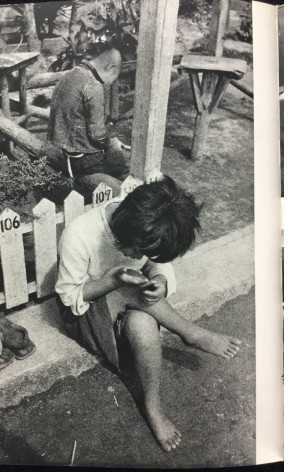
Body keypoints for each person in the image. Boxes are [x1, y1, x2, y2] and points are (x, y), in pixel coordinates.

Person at [55, 175, 242, 452]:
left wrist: (159, 280)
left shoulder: (142, 226)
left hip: (127, 304)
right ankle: (190, 332)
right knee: (132, 291)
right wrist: (112, 281)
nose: (139, 254)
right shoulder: (80, 234)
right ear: (127, 228)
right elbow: (70, 296)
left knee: (142, 323)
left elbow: (156, 265)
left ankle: (153, 407)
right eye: (139, 249)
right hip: (86, 310)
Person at [47, 44, 130, 200]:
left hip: (62, 145)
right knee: (118, 159)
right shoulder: (93, 85)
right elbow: (97, 134)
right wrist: (112, 141)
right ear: (111, 68)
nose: (111, 84)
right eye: (114, 79)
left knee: (114, 152)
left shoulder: (72, 73)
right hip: (81, 158)